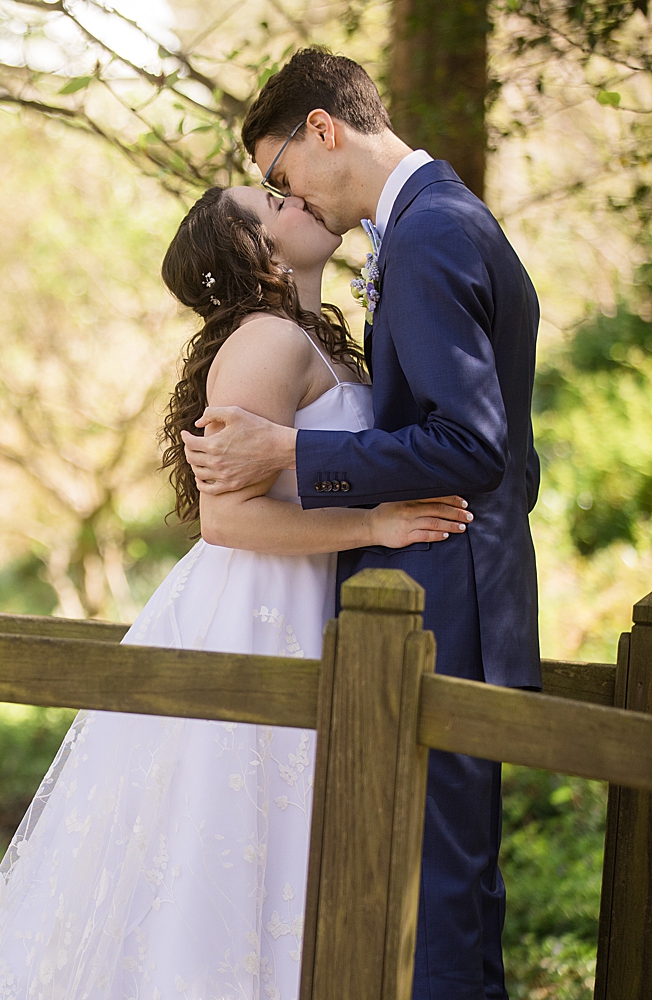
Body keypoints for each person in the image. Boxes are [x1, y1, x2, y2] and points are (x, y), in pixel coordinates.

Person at [0, 182, 472, 1000]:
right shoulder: (265, 341)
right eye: (270, 203)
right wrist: (375, 527)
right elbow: (227, 521)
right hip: (258, 607)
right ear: (257, 253)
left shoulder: (314, 342)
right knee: (225, 847)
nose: (292, 200)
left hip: (308, 603)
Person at [183, 49, 541, 1000]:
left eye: (280, 172)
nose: (286, 194)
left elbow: (473, 444)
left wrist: (290, 456)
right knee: (436, 890)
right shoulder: (439, 221)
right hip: (427, 597)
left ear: (323, 130)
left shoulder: (426, 236)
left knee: (437, 896)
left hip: (439, 601)